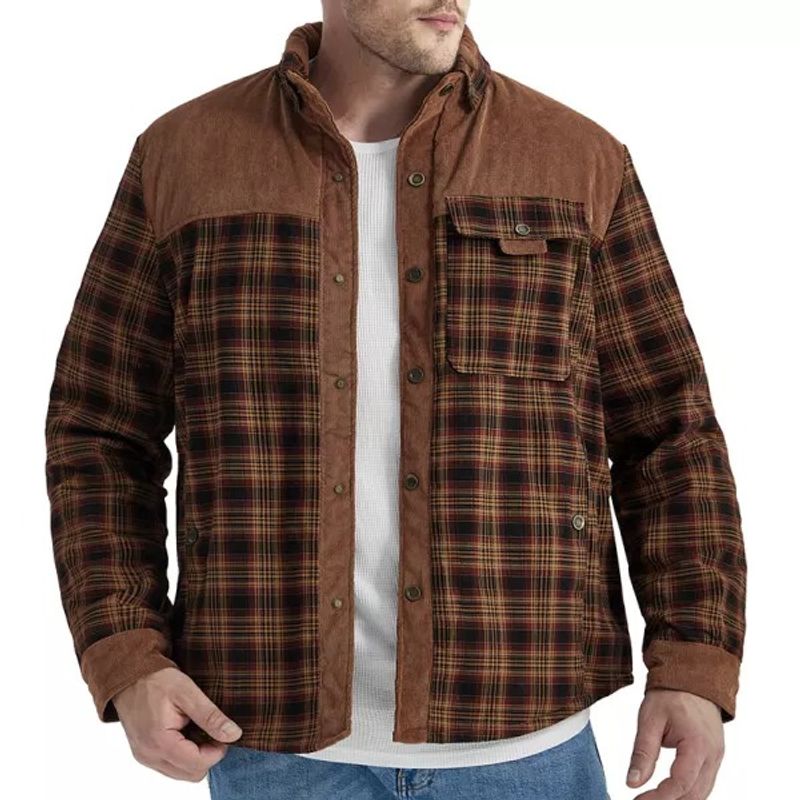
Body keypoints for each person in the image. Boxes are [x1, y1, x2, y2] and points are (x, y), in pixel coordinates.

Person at [44, 2, 747, 798]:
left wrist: (694, 663)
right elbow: (99, 430)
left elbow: (670, 433)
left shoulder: (576, 159)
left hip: (526, 743)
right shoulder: (187, 157)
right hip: (273, 752)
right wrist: (127, 655)